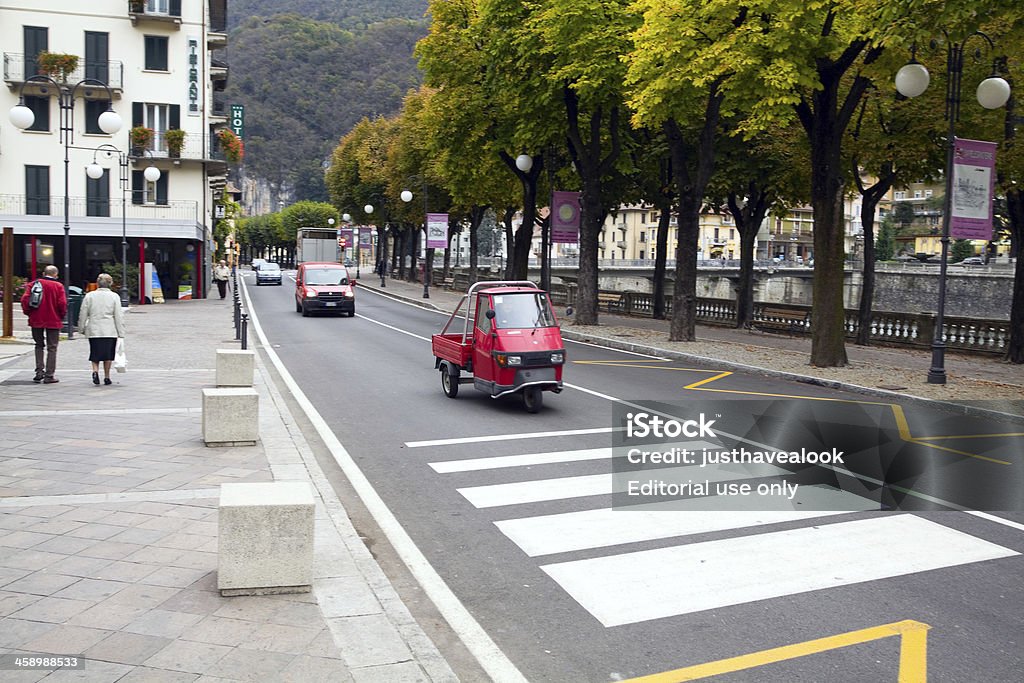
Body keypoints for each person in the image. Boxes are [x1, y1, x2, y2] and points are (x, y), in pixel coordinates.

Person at [20, 265, 67, 384]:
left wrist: (29, 313)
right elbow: (62, 303)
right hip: (53, 319)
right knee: (52, 347)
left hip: (36, 319)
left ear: (43, 274)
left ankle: (39, 371)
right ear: (55, 274)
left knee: (39, 345)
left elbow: (25, 300)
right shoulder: (58, 286)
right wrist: (61, 316)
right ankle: (49, 375)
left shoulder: (33, 284)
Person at [77, 273, 125, 386]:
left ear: (98, 283)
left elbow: (83, 313)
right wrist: (121, 332)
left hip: (94, 328)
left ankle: (95, 371)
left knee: (95, 352)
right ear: (110, 284)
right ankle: (107, 376)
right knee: (108, 354)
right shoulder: (114, 296)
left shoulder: (89, 296)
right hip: (109, 329)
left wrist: (81, 328)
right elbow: (118, 315)